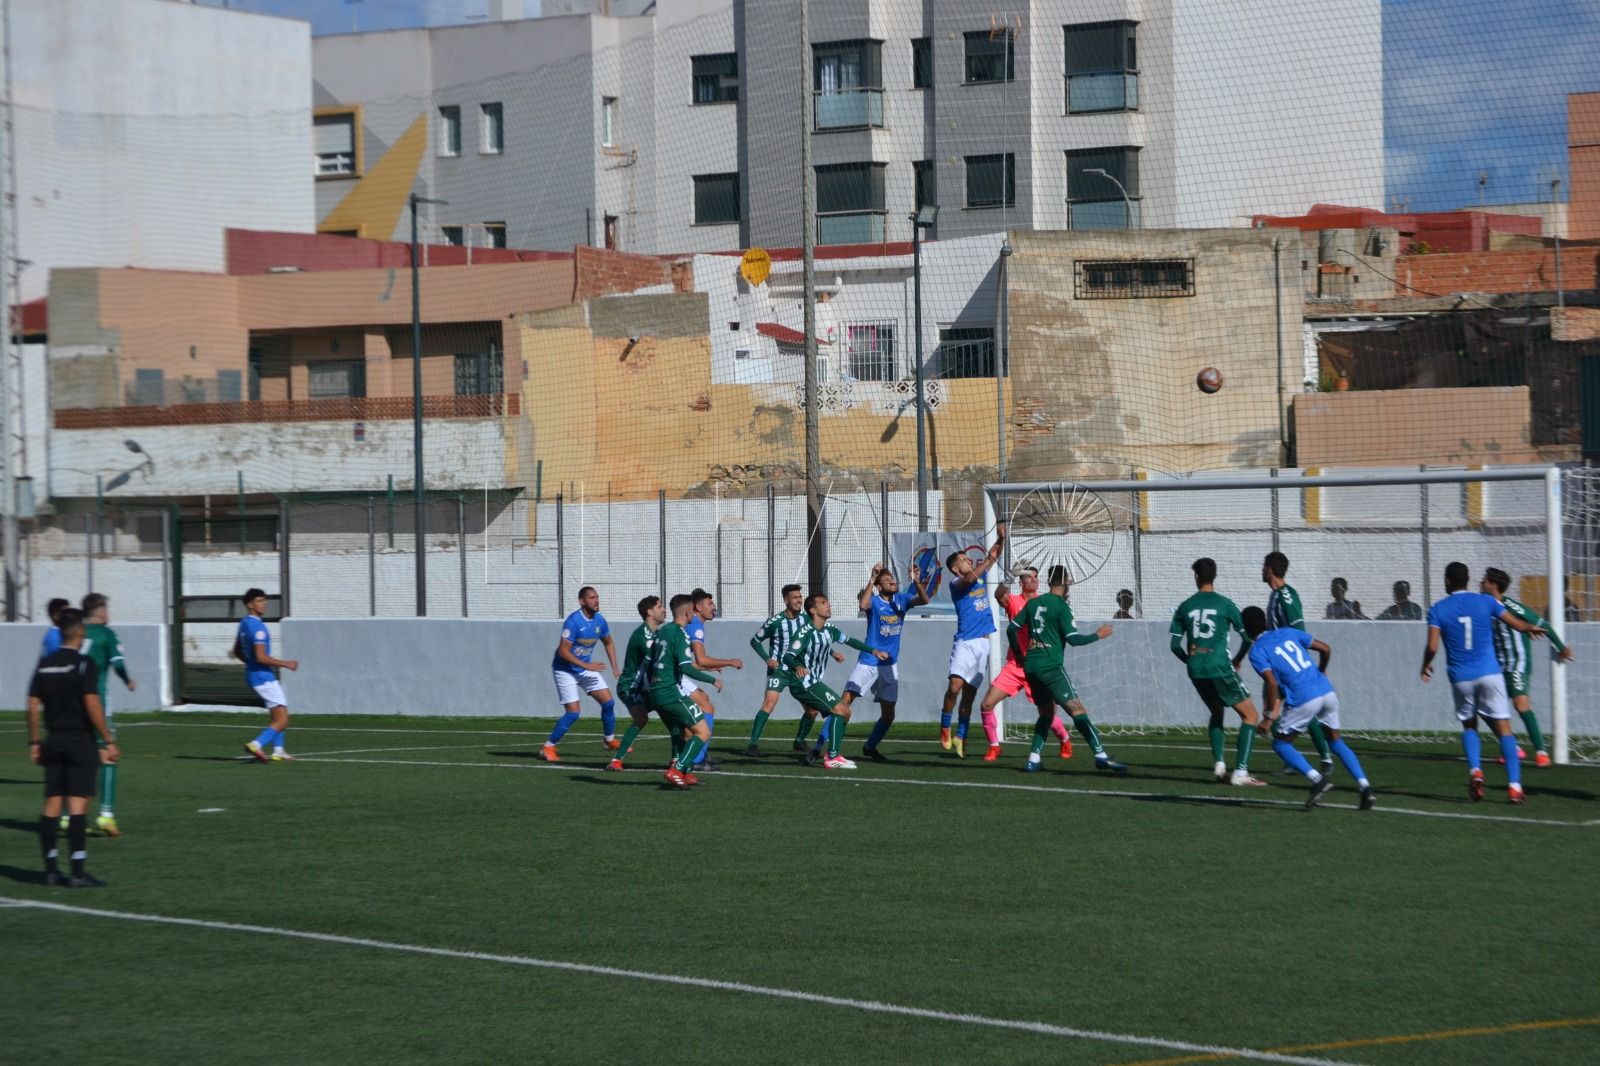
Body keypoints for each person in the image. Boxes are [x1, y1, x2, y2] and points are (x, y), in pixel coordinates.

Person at [1421, 561, 1545, 804]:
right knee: (1505, 730)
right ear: (1468, 580)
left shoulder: (1438, 609)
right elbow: (1516, 623)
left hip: (1460, 677)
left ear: (1447, 581)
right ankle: (1515, 788)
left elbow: (1432, 646)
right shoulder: (1486, 601)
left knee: (1469, 727)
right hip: (1490, 673)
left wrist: (1425, 665)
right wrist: (1531, 627)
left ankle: (1476, 771)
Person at [1242, 606, 1376, 810]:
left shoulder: (1257, 651)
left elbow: (1272, 684)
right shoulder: (1287, 632)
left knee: (1281, 744)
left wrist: (1269, 716)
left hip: (1303, 697)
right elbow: (1326, 648)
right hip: (1326, 691)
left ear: (1246, 628)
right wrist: (1321, 671)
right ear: (1266, 622)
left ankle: (1317, 780)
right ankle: (1365, 787)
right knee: (1336, 741)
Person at [28, 607, 118, 887]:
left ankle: (51, 870)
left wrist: (34, 742)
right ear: (79, 632)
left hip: (53, 739)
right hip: (80, 740)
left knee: (52, 805)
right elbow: (92, 704)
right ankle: (78, 872)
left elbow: (32, 706)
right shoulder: (83, 664)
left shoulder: (44, 664)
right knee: (78, 807)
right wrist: (108, 739)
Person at [1008, 565, 1124, 773]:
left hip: (1031, 667)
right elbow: (1074, 640)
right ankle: (1101, 755)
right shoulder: (1062, 607)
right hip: (1051, 667)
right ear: (1066, 581)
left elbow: (1011, 629)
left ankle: (1033, 759)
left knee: (1046, 714)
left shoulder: (1034, 603)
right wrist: (1098, 635)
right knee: (1077, 710)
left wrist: (1019, 655)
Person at [1171, 558, 1266, 787]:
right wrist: (1238, 660)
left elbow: (1174, 646)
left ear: (1196, 576)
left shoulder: (1185, 607)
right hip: (1219, 667)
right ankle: (1241, 773)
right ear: (1214, 576)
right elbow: (1246, 638)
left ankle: (1220, 766)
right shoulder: (1225, 604)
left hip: (1196, 670)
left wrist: (1189, 660)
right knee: (1251, 716)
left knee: (1216, 712)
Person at [977, 566, 1074, 763]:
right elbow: (998, 594)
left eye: (1036, 577)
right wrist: (1010, 575)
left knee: (1046, 713)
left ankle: (1064, 738)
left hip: (1038, 665)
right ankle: (994, 747)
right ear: (1021, 582)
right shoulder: (1014, 602)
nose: (1034, 580)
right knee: (987, 704)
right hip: (1016, 665)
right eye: (1029, 577)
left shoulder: (1045, 602)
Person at [1481, 567, 1573, 770]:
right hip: (1496, 665)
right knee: (1485, 708)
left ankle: (1541, 752)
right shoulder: (1484, 606)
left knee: (1521, 706)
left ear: (1493, 585)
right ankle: (1512, 748)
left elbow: (1543, 624)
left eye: (1484, 581)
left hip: (1516, 663)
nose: (1481, 584)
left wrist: (1561, 647)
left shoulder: (1510, 605)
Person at [784, 593, 888, 770]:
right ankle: (832, 757)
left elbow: (850, 641)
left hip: (813, 682)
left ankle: (833, 754)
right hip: (802, 683)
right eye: (823, 603)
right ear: (812, 610)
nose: (828, 605)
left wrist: (873, 651)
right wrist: (797, 667)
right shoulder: (805, 632)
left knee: (845, 711)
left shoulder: (829, 629)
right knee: (840, 709)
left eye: (827, 602)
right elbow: (788, 657)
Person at [845, 562, 931, 763]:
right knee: (845, 702)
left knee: (889, 714)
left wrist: (917, 582)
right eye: (887, 580)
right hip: (869, 661)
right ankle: (821, 746)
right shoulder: (874, 601)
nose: (892, 581)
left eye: (892, 578)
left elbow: (925, 600)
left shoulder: (901, 600)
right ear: (879, 585)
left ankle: (869, 747)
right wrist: (872, 579)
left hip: (889, 664)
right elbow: (863, 605)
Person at [1260, 552, 1334, 779]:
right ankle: (1303, 759)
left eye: (1264, 566)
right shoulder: (1276, 595)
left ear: (1271, 569)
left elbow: (1298, 632)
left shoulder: (1286, 596)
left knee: (1290, 707)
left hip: (1289, 665)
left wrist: (1297, 664)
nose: (1261, 570)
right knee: (1283, 707)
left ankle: (1324, 758)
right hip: (1279, 662)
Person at [939, 523, 1006, 757]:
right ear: (956, 569)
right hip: (965, 643)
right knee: (954, 688)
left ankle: (961, 736)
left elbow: (994, 557)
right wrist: (988, 559)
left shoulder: (977, 578)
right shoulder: (957, 584)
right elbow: (973, 575)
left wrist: (1001, 539)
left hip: (983, 644)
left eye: (969, 559)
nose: (969, 561)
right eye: (964, 560)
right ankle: (945, 726)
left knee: (969, 695)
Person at [646, 593, 723, 789]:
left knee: (688, 733)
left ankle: (685, 773)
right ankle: (677, 770)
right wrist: (712, 679)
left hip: (656, 689)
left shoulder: (662, 631)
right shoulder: (681, 634)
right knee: (703, 731)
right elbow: (686, 667)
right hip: (670, 691)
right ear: (689, 612)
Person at [540, 586, 621, 762]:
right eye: (591, 598)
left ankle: (609, 740)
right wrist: (586, 665)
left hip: (585, 668)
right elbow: (563, 651)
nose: (596, 600)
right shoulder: (574, 621)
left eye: (597, 597)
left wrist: (615, 667)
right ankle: (548, 747)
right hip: (565, 670)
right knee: (573, 713)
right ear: (582, 601)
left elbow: (608, 643)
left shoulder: (599, 621)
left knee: (608, 702)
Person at [80, 593, 136, 837]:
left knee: (77, 758)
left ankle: (67, 815)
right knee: (108, 755)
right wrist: (128, 680)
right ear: (101, 612)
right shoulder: (107, 634)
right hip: (97, 704)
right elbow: (118, 663)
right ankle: (106, 814)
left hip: (71, 706)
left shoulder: (75, 632)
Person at [744, 584, 814, 757]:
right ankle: (752, 745)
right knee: (769, 703)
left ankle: (799, 741)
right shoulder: (775, 622)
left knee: (812, 709)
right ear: (786, 600)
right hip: (779, 671)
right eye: (795, 597)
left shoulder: (806, 619)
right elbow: (754, 641)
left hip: (798, 671)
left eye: (800, 596)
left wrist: (833, 653)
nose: (799, 600)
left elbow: (815, 638)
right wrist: (768, 659)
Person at [681, 588, 742, 768]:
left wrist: (711, 667)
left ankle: (692, 755)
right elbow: (701, 658)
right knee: (706, 707)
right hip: (668, 676)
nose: (713, 607)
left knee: (702, 705)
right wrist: (730, 661)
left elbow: (689, 662)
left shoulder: (692, 625)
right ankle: (697, 758)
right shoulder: (696, 626)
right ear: (698, 607)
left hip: (671, 672)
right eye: (710, 604)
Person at [236, 588, 299, 763]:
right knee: (283, 719)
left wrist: (250, 663)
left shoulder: (244, 624)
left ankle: (278, 750)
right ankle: (256, 744)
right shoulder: (258, 628)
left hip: (256, 675)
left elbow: (237, 650)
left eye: (264, 600)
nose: (264, 604)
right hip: (263, 677)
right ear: (250, 604)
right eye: (259, 600)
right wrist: (286, 663)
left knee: (280, 713)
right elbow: (261, 657)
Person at [607, 596, 665, 772]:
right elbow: (657, 663)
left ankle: (678, 760)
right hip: (630, 686)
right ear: (650, 612)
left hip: (645, 687)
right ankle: (616, 760)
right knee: (641, 718)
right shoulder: (643, 636)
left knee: (673, 716)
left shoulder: (657, 634)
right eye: (660, 606)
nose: (664, 610)